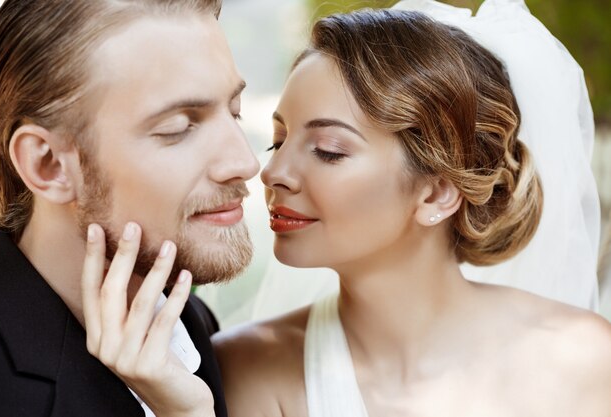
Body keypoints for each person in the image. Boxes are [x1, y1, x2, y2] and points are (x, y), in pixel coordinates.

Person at [83, 0, 611, 416]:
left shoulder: (588, 362)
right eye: (277, 142)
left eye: (328, 151)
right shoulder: (247, 370)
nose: (271, 173)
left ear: (437, 193)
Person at [0, 0, 260, 416]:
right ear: (49, 164)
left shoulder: (192, 323)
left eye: (234, 112)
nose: (245, 163)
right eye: (178, 128)